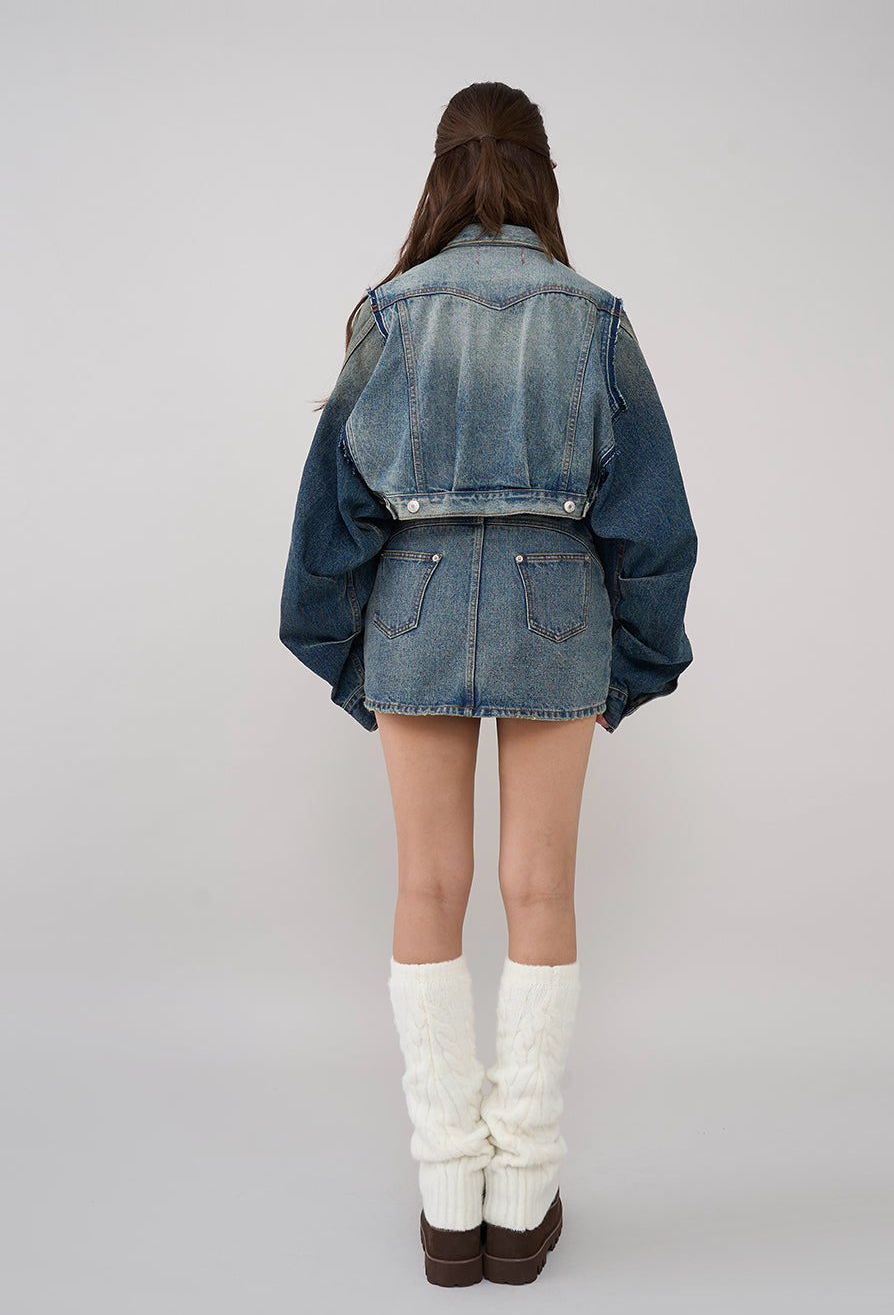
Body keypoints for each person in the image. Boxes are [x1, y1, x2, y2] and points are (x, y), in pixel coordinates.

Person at [279, 81, 698, 1286]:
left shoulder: (389, 314)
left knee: (427, 884)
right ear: (543, 178)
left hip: (410, 609)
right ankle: (520, 1200)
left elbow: (329, 519)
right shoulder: (593, 317)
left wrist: (348, 652)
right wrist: (633, 662)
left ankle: (443, 1195)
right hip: (555, 608)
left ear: (440, 177)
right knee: (539, 887)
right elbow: (654, 524)